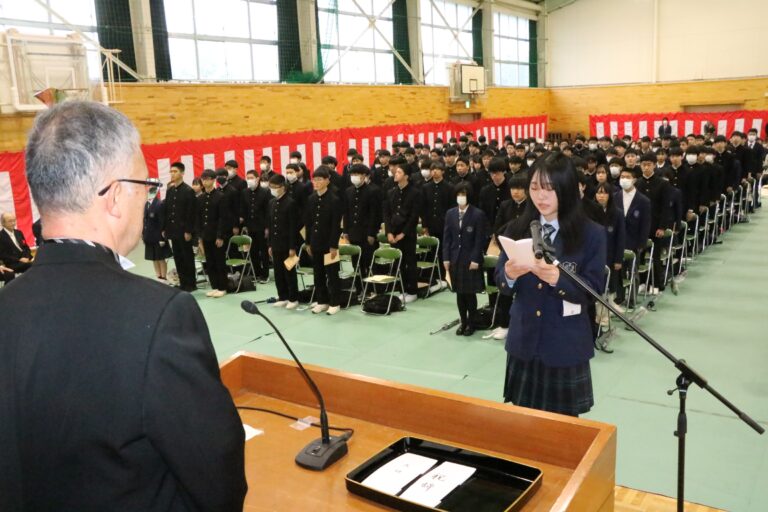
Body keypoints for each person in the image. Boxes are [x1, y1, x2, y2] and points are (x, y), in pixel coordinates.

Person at [0, 101, 246, 511]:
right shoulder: (160, 316)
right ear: (115, 196)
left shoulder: (7, 305)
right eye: (146, 184)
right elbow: (216, 476)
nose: (147, 196)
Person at [495, 152, 606, 417]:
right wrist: (509, 273)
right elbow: (500, 279)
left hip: (564, 344)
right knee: (522, 424)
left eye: (549, 189)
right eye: (534, 187)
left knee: (562, 432)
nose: (540, 196)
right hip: (524, 340)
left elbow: (595, 290)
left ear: (566, 190)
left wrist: (559, 279)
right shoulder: (517, 227)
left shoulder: (591, 234)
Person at [443, 183, 488, 336]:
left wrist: (476, 259)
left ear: (468, 196)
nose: (460, 197)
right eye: (458, 194)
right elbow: (447, 238)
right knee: (459, 294)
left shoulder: (477, 214)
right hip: (455, 258)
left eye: (463, 194)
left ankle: (472, 323)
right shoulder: (450, 213)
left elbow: (479, 239)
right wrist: (446, 258)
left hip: (470, 260)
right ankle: (463, 322)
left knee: (470, 293)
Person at [304, 168, 344, 315]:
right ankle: (322, 301)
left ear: (327, 180)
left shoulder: (334, 199)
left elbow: (336, 225)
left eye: (320, 179)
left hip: (329, 244)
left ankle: (335, 302)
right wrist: (308, 242)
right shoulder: (311, 199)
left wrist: (334, 245)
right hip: (315, 242)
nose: (317, 182)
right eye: (315, 179)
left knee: (332, 274)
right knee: (318, 273)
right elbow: (308, 223)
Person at [383, 162, 421, 303]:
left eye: (399, 172)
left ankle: (412, 290)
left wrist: (403, 233)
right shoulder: (391, 192)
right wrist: (389, 232)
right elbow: (387, 214)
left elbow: (413, 217)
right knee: (398, 261)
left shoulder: (414, 192)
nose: (395, 174)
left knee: (409, 262)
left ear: (406, 176)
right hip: (393, 231)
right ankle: (402, 289)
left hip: (407, 233)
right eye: (395, 172)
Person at [614, 168, 651, 306]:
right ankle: (619, 296)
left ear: (634, 179)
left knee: (632, 270)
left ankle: (632, 299)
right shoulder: (615, 196)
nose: (624, 179)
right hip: (617, 240)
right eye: (622, 176)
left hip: (634, 240)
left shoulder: (643, 200)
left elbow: (646, 224)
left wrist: (641, 244)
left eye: (627, 177)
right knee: (618, 271)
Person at [342, 164, 380, 294]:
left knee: (368, 263)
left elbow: (374, 214)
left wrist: (371, 233)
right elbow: (346, 213)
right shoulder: (348, 191)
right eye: (352, 175)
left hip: (367, 234)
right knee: (356, 264)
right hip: (353, 233)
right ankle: (359, 289)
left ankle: (371, 289)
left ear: (364, 176)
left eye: (357, 174)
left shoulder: (372, 191)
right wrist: (345, 231)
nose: (354, 177)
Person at [161, 162, 197, 291]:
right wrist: (165, 228)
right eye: (171, 171)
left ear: (182, 173)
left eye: (175, 171)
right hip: (173, 230)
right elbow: (167, 210)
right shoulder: (170, 191)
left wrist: (188, 231)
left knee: (187, 257)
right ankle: (183, 282)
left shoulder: (188, 191)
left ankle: (191, 283)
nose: (172, 174)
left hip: (184, 231)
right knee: (178, 257)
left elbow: (190, 213)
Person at [197, 169, 230, 298]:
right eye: (203, 179)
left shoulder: (220, 197)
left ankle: (223, 287)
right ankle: (214, 286)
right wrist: (199, 236)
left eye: (208, 179)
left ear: (213, 180)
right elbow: (199, 218)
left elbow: (223, 218)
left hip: (217, 235)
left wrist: (220, 236)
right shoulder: (200, 198)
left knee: (219, 261)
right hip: (206, 235)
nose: (205, 181)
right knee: (209, 262)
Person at [268, 174, 300, 309]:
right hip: (275, 243)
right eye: (271, 187)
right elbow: (270, 225)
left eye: (275, 187)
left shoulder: (290, 203)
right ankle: (283, 296)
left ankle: (293, 297)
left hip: (287, 244)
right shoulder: (272, 202)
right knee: (278, 271)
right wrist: (269, 244)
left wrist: (292, 247)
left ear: (283, 187)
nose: (273, 190)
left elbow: (293, 227)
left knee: (289, 271)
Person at [241, 169, 271, 283]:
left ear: (257, 179)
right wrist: (244, 225)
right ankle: (256, 273)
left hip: (262, 226)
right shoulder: (245, 192)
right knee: (253, 251)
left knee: (263, 251)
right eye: (247, 178)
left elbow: (268, 211)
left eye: (251, 178)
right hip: (250, 226)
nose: (249, 180)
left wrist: (268, 227)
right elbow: (244, 210)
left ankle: (265, 274)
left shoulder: (265, 192)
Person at [143, 182, 172, 281]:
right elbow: (145, 220)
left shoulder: (159, 204)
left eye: (151, 190)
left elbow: (162, 222)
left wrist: (162, 238)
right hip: (149, 236)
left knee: (161, 258)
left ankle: (163, 277)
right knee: (153, 258)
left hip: (158, 236)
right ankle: (158, 276)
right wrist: (144, 234)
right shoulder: (146, 204)